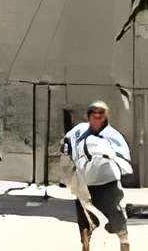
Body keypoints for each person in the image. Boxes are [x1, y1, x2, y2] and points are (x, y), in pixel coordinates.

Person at [62, 101, 134, 251]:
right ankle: (86, 244)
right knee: (84, 215)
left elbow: (123, 156)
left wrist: (109, 157)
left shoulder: (112, 136)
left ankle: (123, 241)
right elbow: (67, 145)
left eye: (100, 116)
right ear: (88, 117)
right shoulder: (79, 131)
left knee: (114, 213)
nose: (97, 119)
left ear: (105, 118)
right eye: (93, 116)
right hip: (84, 181)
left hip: (107, 181)